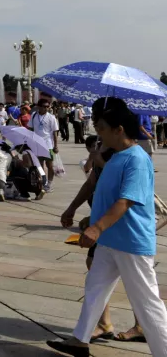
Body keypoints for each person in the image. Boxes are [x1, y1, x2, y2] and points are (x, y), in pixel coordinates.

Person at [48, 98, 167, 357]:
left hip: (130, 241)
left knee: (146, 302)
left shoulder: (136, 159)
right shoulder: (115, 156)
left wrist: (97, 228)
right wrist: (87, 217)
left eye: (101, 127)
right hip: (111, 240)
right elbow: (101, 190)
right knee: (95, 288)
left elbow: (126, 201)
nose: (97, 133)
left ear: (119, 130)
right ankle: (79, 340)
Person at [29, 99, 59, 192]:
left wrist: (56, 146)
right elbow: (30, 129)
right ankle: (42, 183)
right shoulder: (34, 116)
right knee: (39, 166)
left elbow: (55, 132)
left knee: (50, 166)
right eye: (44, 106)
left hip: (48, 145)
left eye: (47, 106)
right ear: (38, 107)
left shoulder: (51, 117)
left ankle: (49, 184)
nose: (46, 108)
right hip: (37, 144)